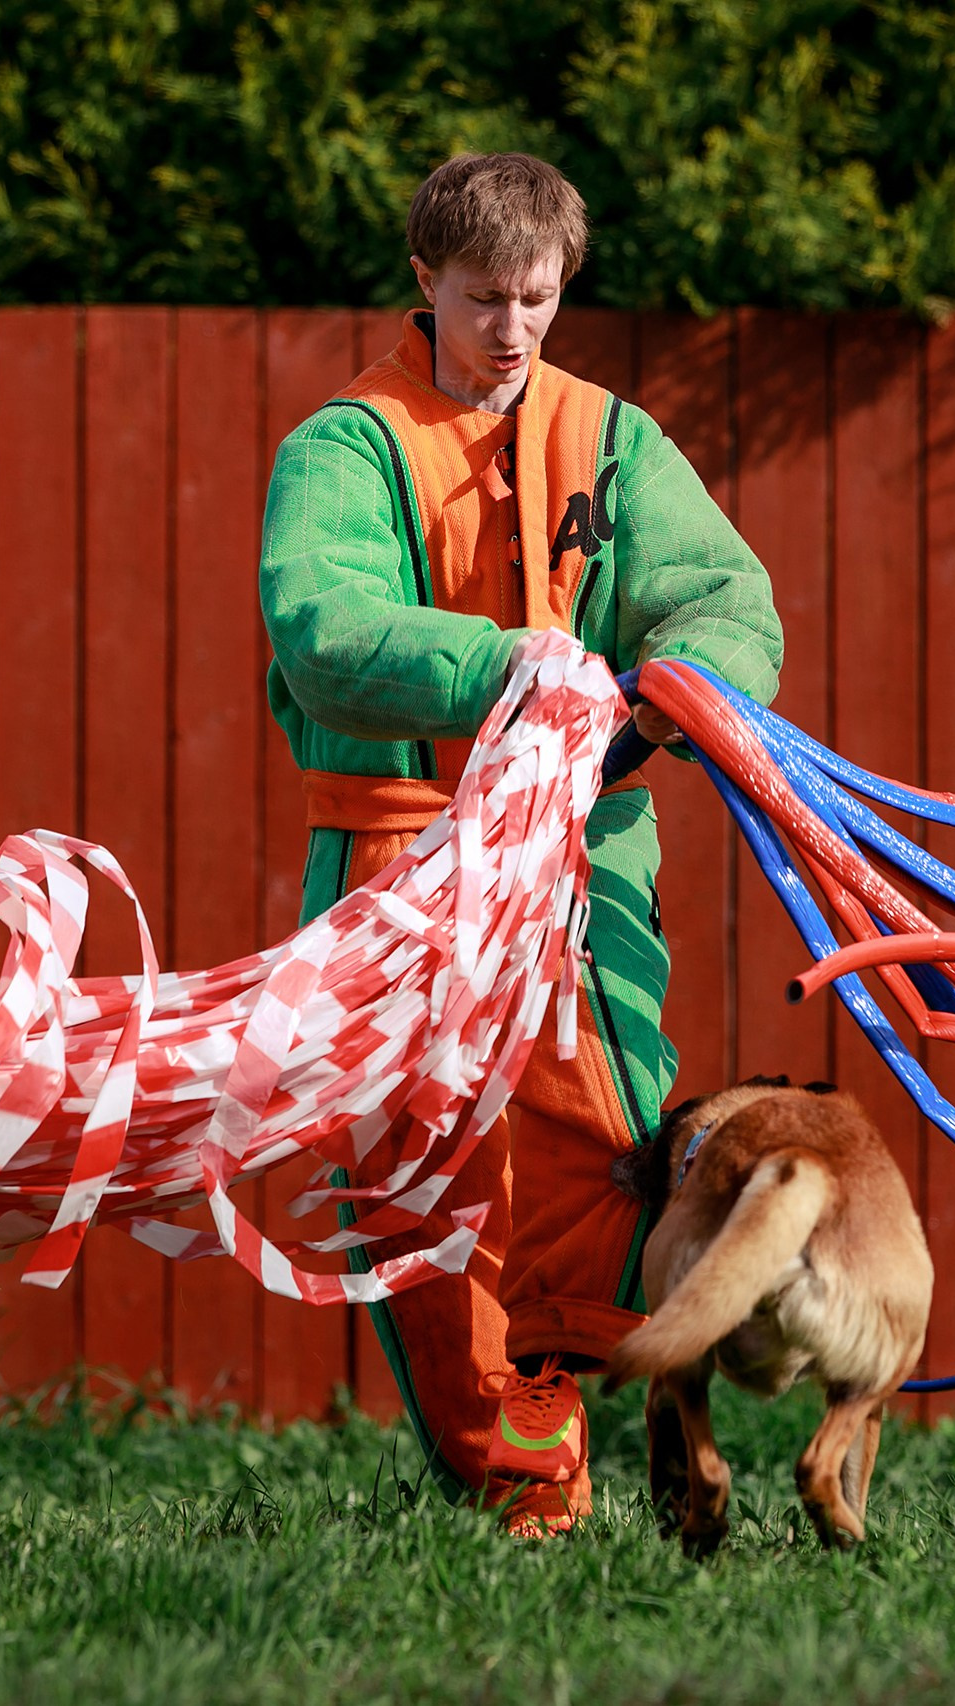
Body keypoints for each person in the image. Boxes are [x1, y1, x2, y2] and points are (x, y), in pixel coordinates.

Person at [258, 152, 784, 1535]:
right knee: (422, 1176)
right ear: (423, 281)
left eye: (537, 299)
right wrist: (533, 670)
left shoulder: (617, 438)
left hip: (584, 861)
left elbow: (731, 605)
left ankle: (642, 1405)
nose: (511, 328)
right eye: (484, 297)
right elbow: (324, 632)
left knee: (612, 1149)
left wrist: (667, 691)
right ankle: (520, 1484)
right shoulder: (343, 447)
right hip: (396, 868)